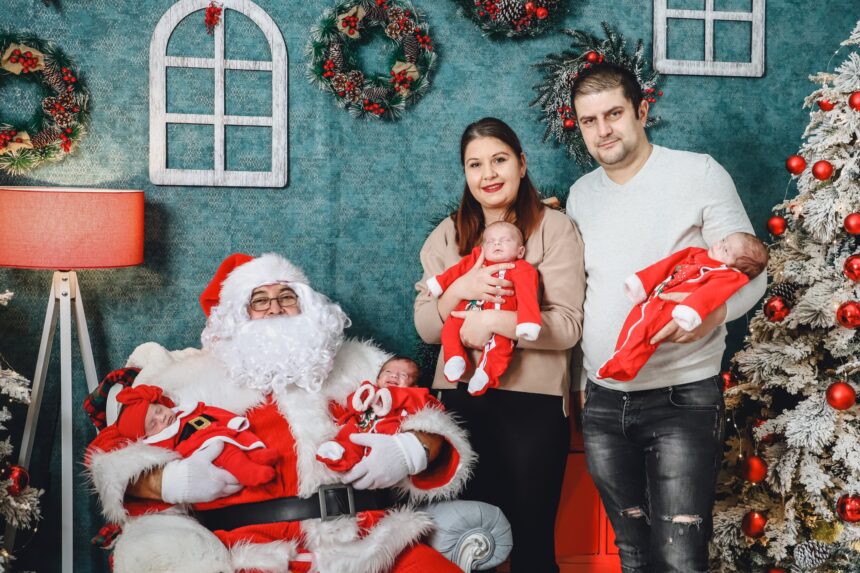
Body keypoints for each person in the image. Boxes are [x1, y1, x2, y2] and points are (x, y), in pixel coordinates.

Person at [85, 252, 474, 573]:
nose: (275, 308)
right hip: (253, 553)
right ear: (238, 315)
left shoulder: (360, 364)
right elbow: (113, 454)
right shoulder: (190, 379)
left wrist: (411, 449)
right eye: (259, 300)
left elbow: (427, 415)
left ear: (307, 306)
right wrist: (168, 481)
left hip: (372, 542)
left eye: (287, 296)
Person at [565, 62, 767, 572]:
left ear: (641, 111)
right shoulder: (581, 194)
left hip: (682, 398)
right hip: (604, 401)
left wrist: (713, 316)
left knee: (679, 557)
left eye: (614, 114)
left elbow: (753, 273)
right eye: (589, 120)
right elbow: (585, 291)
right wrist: (581, 383)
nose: (603, 130)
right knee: (632, 553)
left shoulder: (697, 173)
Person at [415, 117, 585, 573]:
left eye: (499, 160)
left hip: (533, 405)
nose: (488, 174)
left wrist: (491, 320)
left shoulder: (554, 228)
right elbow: (427, 327)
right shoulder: (448, 234)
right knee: (465, 546)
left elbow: (567, 326)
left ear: (522, 164)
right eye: (475, 165)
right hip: (459, 403)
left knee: (531, 547)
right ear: (465, 174)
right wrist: (460, 288)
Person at [598, 232, 768, 382]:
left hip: (673, 310)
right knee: (633, 324)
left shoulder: (728, 276)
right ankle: (619, 358)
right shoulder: (696, 253)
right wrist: (642, 283)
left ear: (737, 268)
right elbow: (665, 266)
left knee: (643, 332)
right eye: (723, 240)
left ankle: (623, 365)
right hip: (656, 296)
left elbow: (709, 295)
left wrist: (692, 310)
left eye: (725, 250)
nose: (719, 244)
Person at [427, 220, 541, 395]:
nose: (497, 244)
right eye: (490, 241)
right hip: (469, 310)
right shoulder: (476, 260)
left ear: (520, 251)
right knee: (450, 327)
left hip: (501, 318)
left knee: (501, 345)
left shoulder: (521, 269)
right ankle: (455, 357)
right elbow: (456, 271)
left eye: (505, 240)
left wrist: (528, 322)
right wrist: (439, 283)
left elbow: (528, 297)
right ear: (483, 248)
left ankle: (485, 374)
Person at [111, 384, 280, 487]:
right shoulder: (159, 442)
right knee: (226, 451)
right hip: (203, 448)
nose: (162, 418)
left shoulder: (185, 411)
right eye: (154, 424)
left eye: (159, 410)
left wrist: (231, 421)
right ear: (146, 436)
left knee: (240, 437)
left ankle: (255, 455)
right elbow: (162, 458)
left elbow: (211, 412)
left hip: (217, 430)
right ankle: (246, 472)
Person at [316, 380, 440, 472]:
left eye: (403, 375)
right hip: (359, 428)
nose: (394, 375)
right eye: (388, 371)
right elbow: (351, 403)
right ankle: (338, 454)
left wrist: (395, 395)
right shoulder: (370, 390)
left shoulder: (406, 400)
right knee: (349, 436)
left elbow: (426, 403)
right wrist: (362, 399)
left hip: (387, 440)